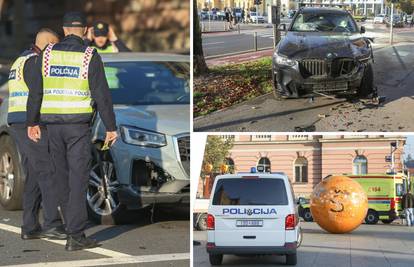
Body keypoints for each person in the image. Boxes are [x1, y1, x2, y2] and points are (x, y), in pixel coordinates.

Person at [26, 12, 118, 251]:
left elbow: (36, 92)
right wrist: (111, 127)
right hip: (77, 127)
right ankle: (75, 235)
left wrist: (31, 123)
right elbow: (102, 95)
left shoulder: (46, 55)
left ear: (64, 30)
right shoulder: (89, 56)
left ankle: (71, 229)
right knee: (78, 180)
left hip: (52, 128)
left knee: (62, 178)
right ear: (85, 29)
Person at [7, 28, 67, 240]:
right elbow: (37, 94)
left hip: (17, 120)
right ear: (49, 44)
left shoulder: (20, 60)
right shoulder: (36, 61)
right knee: (47, 170)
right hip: (30, 122)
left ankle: (30, 226)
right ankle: (52, 223)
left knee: (34, 174)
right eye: (56, 46)